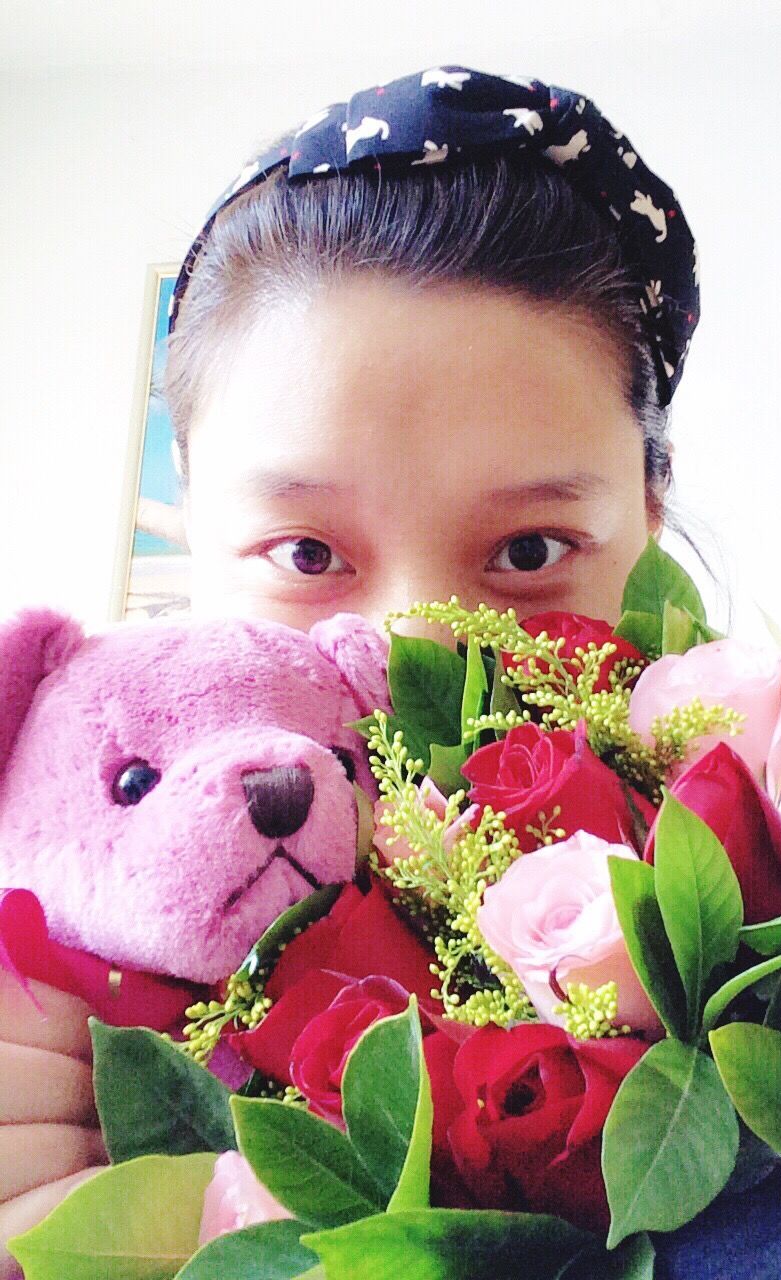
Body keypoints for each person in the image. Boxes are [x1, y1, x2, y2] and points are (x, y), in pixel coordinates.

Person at [0, 63, 708, 1267]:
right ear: (192, 527)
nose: (417, 639)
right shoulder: (69, 931)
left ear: (649, 512)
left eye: (529, 550)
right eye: (310, 549)